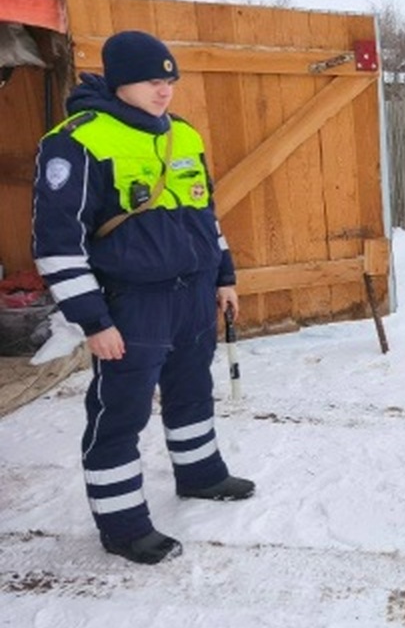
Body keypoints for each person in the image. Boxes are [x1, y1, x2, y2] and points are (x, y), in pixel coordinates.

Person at [31, 30, 255, 565]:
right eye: (154, 80)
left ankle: (201, 475)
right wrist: (92, 320)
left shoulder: (183, 135)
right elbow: (56, 244)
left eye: (170, 80)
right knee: (120, 413)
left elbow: (205, 214)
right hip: (132, 303)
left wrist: (224, 276)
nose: (165, 90)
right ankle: (123, 524)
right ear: (119, 81)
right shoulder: (78, 141)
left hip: (193, 295)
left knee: (192, 391)